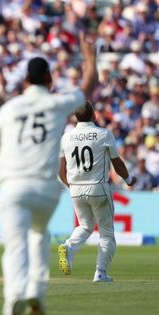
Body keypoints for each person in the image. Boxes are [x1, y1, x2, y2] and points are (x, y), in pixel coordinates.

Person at [0, 32, 99, 315]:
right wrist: (90, 59)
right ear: (48, 80)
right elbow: (89, 87)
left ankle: (14, 303)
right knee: (39, 234)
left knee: (15, 246)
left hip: (12, 186)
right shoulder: (56, 103)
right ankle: (36, 288)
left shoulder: (10, 109)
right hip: (45, 189)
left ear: (25, 82)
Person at [58, 101, 136, 283]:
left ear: (76, 117)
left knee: (85, 226)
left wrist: (74, 187)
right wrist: (129, 180)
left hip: (76, 189)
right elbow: (117, 163)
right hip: (98, 187)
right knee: (106, 233)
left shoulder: (66, 137)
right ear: (94, 115)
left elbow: (61, 171)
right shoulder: (103, 134)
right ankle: (100, 273)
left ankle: (69, 246)